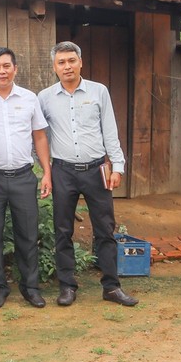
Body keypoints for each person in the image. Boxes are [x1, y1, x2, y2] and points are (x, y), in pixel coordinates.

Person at [38, 41, 138, 307]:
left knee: (105, 229)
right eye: (61, 62)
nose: (67, 66)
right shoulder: (45, 97)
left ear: (80, 62)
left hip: (97, 170)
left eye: (71, 60)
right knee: (62, 230)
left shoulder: (98, 91)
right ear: (54, 67)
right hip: (63, 171)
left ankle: (111, 286)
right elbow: (40, 137)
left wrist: (117, 166)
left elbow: (110, 130)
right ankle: (68, 286)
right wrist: (46, 171)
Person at [0, 47, 51, 309]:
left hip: (24, 177)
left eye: (6, 66)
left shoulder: (29, 98)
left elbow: (39, 136)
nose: (1, 71)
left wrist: (46, 172)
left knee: (27, 234)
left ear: (15, 68)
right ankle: (0, 287)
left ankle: (30, 287)